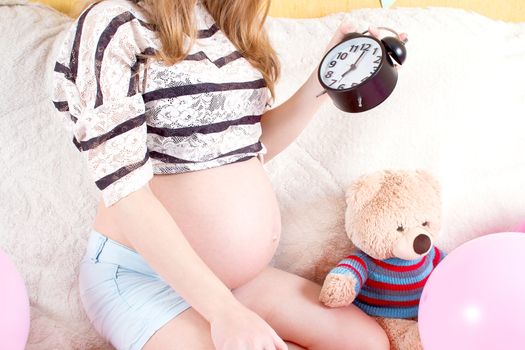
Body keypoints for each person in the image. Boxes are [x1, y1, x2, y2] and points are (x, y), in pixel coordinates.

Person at [51, 0, 406, 349]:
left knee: (366, 342)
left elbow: (246, 147)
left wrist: (328, 78)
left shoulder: (224, 21)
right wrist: (224, 313)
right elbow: (127, 195)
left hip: (229, 281)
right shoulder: (112, 24)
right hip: (142, 277)